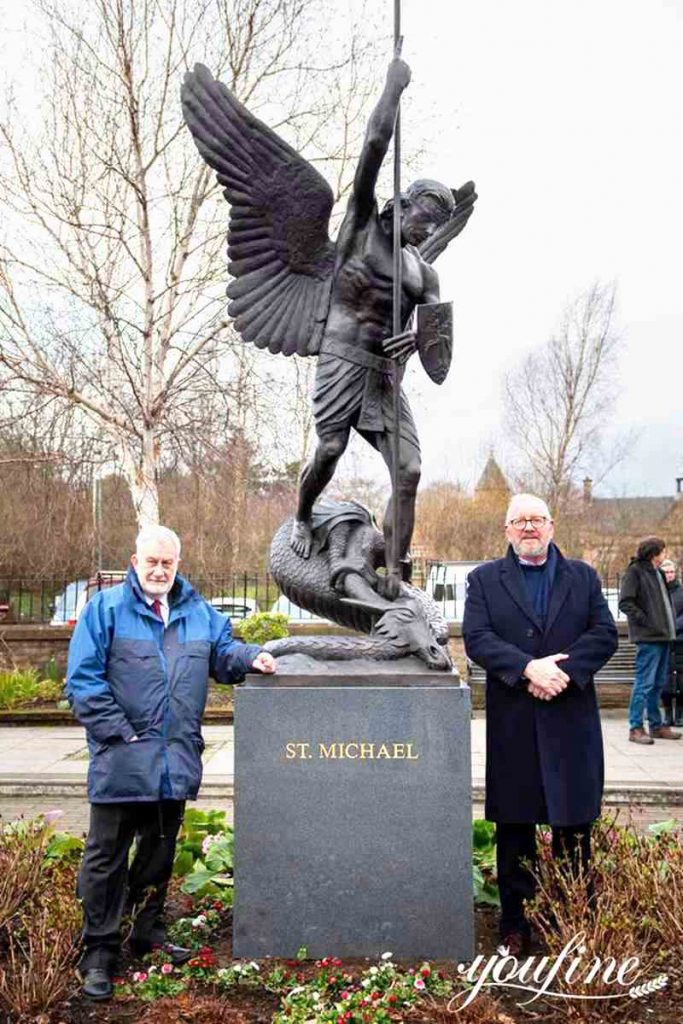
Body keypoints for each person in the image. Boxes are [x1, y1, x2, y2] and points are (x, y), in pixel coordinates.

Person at [66, 525, 276, 1001]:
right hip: (122, 760)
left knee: (159, 855)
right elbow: (83, 683)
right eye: (151, 562)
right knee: (106, 861)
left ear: (178, 564)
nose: (159, 570)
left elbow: (224, 655)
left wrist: (253, 655)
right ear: (134, 562)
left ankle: (145, 934)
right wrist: (122, 734)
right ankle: (98, 953)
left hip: (174, 761)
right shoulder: (104, 610)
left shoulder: (198, 612)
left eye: (168, 562)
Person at [290, 53, 468, 595]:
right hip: (342, 358)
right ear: (404, 204)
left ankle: (393, 571)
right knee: (328, 450)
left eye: (439, 225)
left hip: (385, 378)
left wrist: (418, 340)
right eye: (425, 219)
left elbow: (438, 348)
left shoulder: (424, 274)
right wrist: (392, 90)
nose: (429, 230)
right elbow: (373, 146)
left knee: (409, 470)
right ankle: (302, 513)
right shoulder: (361, 228)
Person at [463, 493, 618, 954]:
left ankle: (572, 918)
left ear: (551, 526)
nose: (528, 527)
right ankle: (514, 925)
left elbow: (603, 633)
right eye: (519, 521)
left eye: (536, 519)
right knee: (515, 828)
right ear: (507, 530)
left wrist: (562, 674)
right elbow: (477, 637)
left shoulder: (584, 578)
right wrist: (529, 668)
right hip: (516, 720)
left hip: (569, 718)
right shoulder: (485, 580)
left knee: (574, 826)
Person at [618, 537, 681, 744]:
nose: (665, 555)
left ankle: (656, 725)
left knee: (658, 684)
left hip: (664, 636)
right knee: (644, 683)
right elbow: (626, 602)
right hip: (649, 637)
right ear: (654, 553)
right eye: (663, 551)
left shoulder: (659, 573)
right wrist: (647, 621)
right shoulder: (635, 571)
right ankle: (635, 727)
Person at [659, 559, 683, 728]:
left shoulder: (681, 592)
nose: (669, 575)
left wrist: (673, 626)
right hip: (663, 640)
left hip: (680, 640)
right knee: (665, 681)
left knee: (681, 680)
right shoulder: (657, 592)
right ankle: (667, 714)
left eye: (671, 572)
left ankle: (680, 715)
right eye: (666, 572)